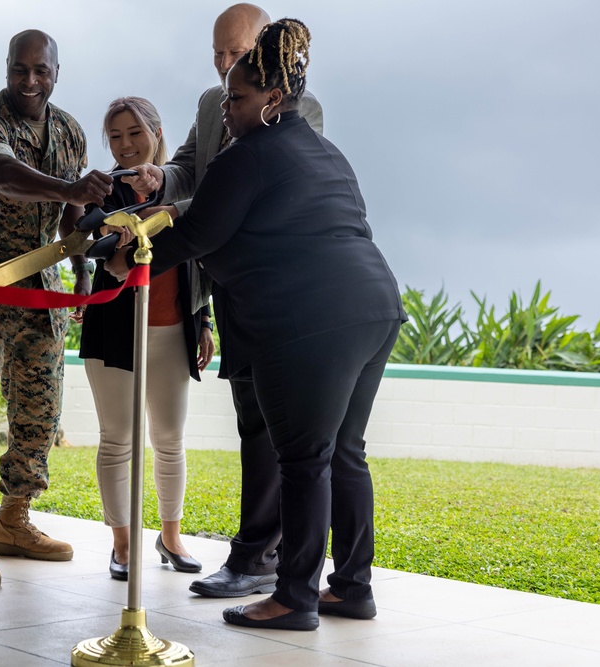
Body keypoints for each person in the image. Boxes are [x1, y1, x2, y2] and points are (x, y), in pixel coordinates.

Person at [108, 18, 406, 630]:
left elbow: (195, 234)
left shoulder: (250, 155)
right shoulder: (325, 152)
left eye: (237, 100)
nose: (229, 110)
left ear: (271, 100)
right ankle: (351, 588)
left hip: (309, 319)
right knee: (344, 453)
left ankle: (293, 598)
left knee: (302, 459)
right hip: (374, 307)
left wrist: (121, 259)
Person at [129, 3, 324, 600]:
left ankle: (261, 557)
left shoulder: (300, 111)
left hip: (278, 290)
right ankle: (259, 555)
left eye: (235, 54)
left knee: (281, 429)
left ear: (264, 50)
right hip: (229, 285)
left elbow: (259, 195)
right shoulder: (214, 103)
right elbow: (191, 168)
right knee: (253, 422)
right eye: (216, 53)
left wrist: (166, 223)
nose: (223, 66)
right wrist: (159, 179)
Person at [0, 29, 114, 588]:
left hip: (39, 281)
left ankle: (14, 520)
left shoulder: (70, 131)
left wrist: (82, 266)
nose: (29, 81)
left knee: (41, 403)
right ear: (6, 68)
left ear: (57, 71)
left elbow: (68, 214)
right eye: (19, 69)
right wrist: (72, 188)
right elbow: (3, 177)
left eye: (41, 70)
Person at [77, 97, 214, 581]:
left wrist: (204, 323)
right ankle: (123, 544)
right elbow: (84, 240)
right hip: (113, 332)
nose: (126, 145)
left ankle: (171, 537)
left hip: (173, 329)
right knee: (118, 440)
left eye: (135, 132)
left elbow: (199, 259)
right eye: (115, 136)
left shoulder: (184, 190)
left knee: (170, 439)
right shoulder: (100, 193)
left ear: (157, 132)